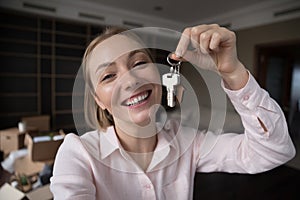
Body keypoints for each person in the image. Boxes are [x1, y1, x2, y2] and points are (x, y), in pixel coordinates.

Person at [50, 24, 296, 200]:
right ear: (99, 100)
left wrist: (232, 73)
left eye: (138, 63)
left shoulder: (189, 143)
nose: (130, 80)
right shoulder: (78, 154)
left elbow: (274, 151)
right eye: (109, 75)